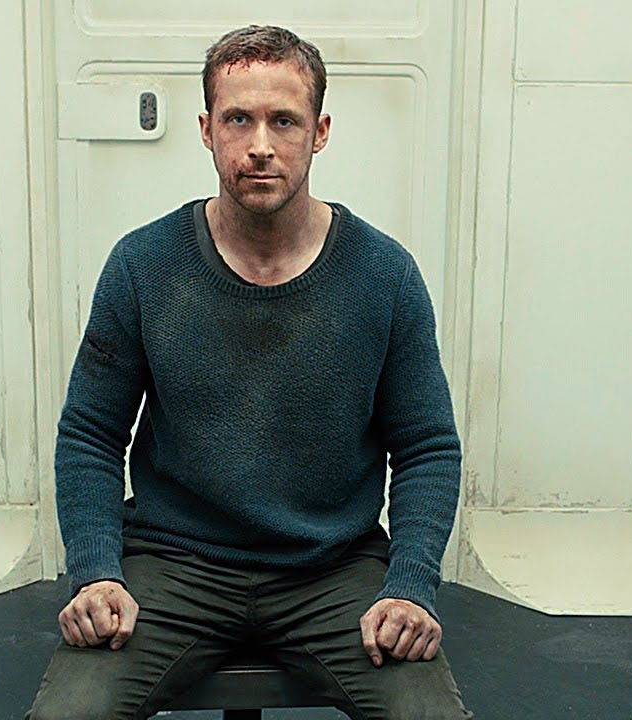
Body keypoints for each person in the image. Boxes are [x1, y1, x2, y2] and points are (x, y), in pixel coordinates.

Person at [25, 24, 474, 720]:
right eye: (238, 119)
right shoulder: (143, 265)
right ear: (207, 130)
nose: (260, 144)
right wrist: (95, 574)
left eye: (283, 121)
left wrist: (411, 587)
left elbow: (427, 447)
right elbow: (90, 433)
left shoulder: (385, 275)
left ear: (319, 132)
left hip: (332, 568)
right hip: (175, 563)